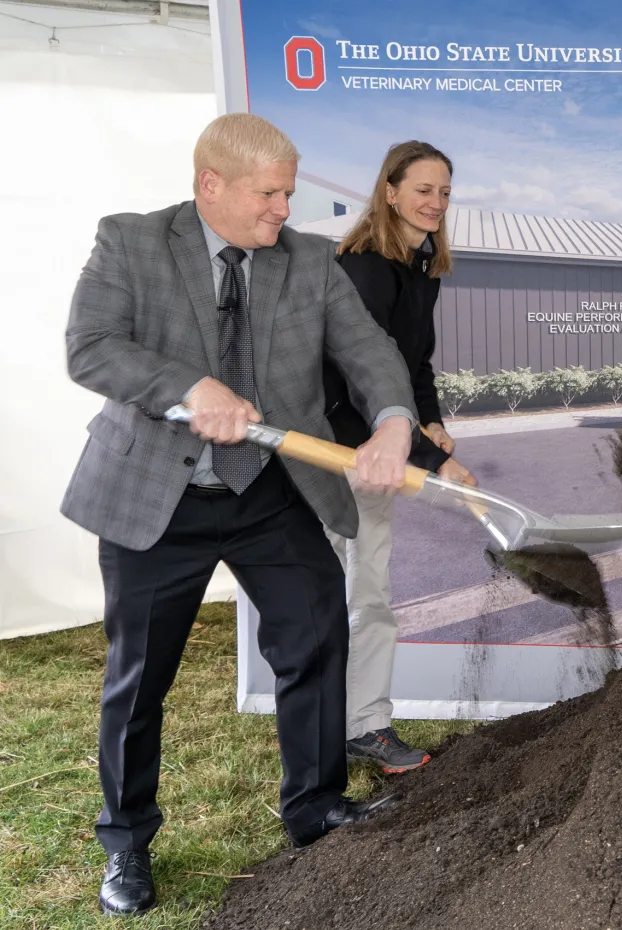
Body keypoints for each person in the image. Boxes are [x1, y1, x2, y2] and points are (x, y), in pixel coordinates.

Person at [61, 113, 417, 916]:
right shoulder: (131, 242)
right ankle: (126, 840)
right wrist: (189, 390)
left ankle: (317, 808)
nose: (283, 209)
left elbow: (367, 351)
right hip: (156, 494)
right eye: (269, 193)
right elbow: (90, 347)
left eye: (289, 192)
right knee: (139, 676)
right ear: (209, 184)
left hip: (263, 490)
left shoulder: (312, 262)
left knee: (318, 630)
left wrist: (394, 418)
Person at [321, 140, 476, 776]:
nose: (435, 202)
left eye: (444, 192)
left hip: (377, 451)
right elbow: (359, 377)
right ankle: (353, 726)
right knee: (351, 594)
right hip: (340, 449)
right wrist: (431, 459)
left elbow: (411, 365)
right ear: (389, 192)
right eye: (422, 189)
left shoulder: (418, 270)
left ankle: (354, 724)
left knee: (365, 592)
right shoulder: (364, 268)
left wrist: (431, 418)